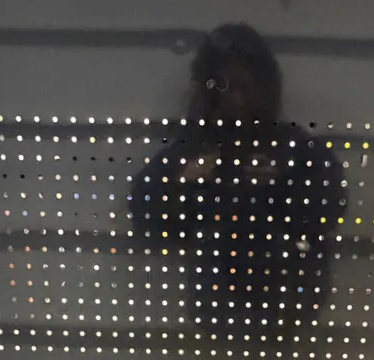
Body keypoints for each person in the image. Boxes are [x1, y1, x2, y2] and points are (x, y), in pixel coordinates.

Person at [129, 23, 346, 333]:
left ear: (266, 88)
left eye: (247, 88)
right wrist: (182, 181)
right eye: (226, 89)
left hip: (285, 315)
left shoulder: (295, 148)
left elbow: (329, 209)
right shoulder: (195, 148)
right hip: (219, 315)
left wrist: (285, 183)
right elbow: (145, 211)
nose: (238, 101)